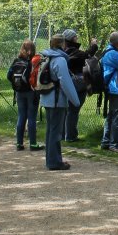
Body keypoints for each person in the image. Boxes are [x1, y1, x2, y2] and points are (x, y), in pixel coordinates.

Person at [39, 34, 80, 171]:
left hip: (46, 97)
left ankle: (51, 159)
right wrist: (75, 100)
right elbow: (65, 82)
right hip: (57, 99)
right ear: (62, 45)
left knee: (51, 130)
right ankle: (54, 162)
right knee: (56, 132)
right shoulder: (60, 60)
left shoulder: (46, 56)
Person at [62, 29, 98, 142]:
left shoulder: (64, 50)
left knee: (67, 110)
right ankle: (71, 136)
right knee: (73, 110)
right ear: (71, 38)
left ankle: (63, 134)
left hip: (67, 82)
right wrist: (94, 45)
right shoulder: (72, 51)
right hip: (77, 82)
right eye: (75, 36)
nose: (77, 38)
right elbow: (87, 55)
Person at [7, 39, 42, 151]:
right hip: (31, 92)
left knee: (21, 116)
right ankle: (33, 143)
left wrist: (16, 84)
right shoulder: (34, 62)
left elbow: (9, 76)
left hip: (19, 92)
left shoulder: (16, 61)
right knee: (31, 117)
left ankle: (19, 143)